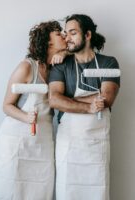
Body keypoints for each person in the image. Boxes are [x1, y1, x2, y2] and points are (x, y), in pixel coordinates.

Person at [0, 21, 67, 200]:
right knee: (8, 189)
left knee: (38, 192)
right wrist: (25, 117)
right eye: (59, 34)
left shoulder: (58, 67)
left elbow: (78, 48)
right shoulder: (26, 67)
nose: (64, 36)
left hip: (42, 142)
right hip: (17, 139)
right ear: (48, 42)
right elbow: (6, 105)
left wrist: (63, 52)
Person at [49, 14, 120, 200]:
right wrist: (89, 106)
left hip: (96, 147)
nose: (67, 38)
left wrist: (70, 100)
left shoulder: (108, 62)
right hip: (68, 144)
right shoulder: (61, 64)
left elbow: (107, 99)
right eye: (65, 33)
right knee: (67, 192)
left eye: (73, 33)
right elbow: (55, 100)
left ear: (87, 35)